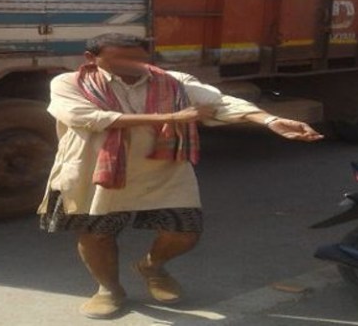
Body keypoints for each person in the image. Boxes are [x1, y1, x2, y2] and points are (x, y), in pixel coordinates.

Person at [39, 33, 323, 320]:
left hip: (163, 168)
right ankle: (108, 289)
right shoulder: (68, 83)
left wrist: (270, 120)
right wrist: (171, 118)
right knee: (96, 234)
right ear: (91, 59)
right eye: (119, 58)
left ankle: (152, 266)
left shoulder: (174, 81)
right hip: (97, 169)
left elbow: (220, 103)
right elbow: (86, 117)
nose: (132, 64)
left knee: (184, 233)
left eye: (138, 58)